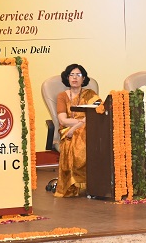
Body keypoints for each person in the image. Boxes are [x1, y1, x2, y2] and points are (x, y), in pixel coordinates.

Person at [54, 63, 100, 197]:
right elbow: (63, 120)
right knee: (79, 137)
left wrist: (76, 126)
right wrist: (82, 122)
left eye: (78, 75)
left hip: (87, 128)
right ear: (67, 78)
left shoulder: (90, 94)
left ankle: (96, 184)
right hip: (67, 130)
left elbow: (97, 112)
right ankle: (77, 182)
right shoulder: (62, 96)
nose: (75, 78)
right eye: (72, 75)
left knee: (88, 133)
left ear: (83, 78)